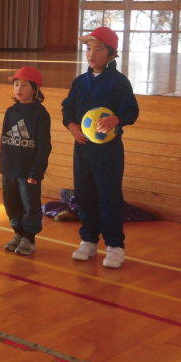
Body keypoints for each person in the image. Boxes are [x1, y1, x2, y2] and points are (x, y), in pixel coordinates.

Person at [61, 27, 139, 269]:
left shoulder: (119, 82)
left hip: (108, 152)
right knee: (84, 194)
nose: (91, 54)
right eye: (88, 49)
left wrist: (116, 118)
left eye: (98, 49)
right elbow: (67, 108)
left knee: (109, 196)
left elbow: (131, 110)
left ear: (111, 53)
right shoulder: (79, 82)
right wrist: (72, 126)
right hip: (83, 149)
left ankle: (115, 246)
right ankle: (88, 240)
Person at [0, 67, 51, 256]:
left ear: (35, 89)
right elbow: (4, 138)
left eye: (24, 85)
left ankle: (29, 237)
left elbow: (44, 146)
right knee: (10, 203)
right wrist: (3, 160)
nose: (18, 89)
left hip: (28, 171)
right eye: (16, 85)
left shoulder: (40, 114)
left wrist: (36, 171)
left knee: (30, 204)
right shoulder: (11, 111)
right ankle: (18, 233)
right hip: (9, 168)